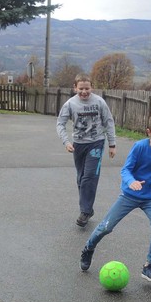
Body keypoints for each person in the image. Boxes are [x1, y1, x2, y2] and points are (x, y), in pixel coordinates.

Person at [79, 113, 151, 282]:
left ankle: (149, 265)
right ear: (148, 132)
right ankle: (89, 248)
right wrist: (132, 181)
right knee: (106, 227)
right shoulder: (139, 147)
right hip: (130, 195)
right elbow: (125, 170)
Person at [56, 74, 117, 227]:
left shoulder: (99, 102)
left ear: (92, 87)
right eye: (80, 88)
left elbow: (108, 121)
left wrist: (112, 144)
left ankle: (85, 211)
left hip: (96, 142)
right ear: (75, 88)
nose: (84, 91)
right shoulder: (70, 104)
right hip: (78, 144)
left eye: (87, 88)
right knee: (81, 178)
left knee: (89, 176)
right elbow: (60, 124)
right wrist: (66, 142)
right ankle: (88, 210)